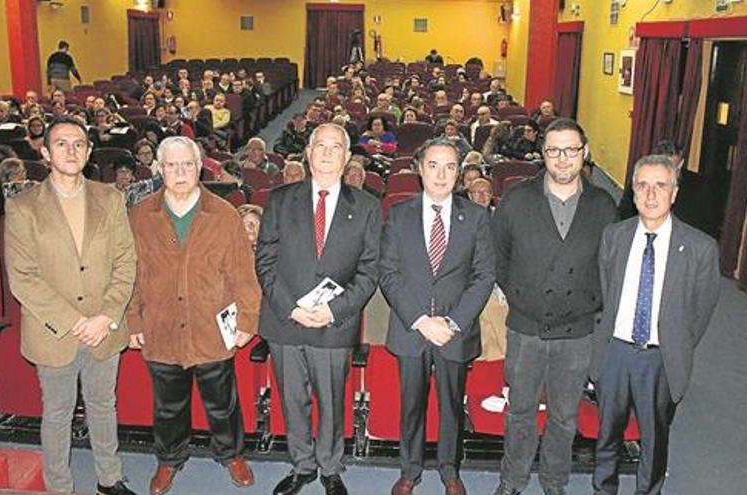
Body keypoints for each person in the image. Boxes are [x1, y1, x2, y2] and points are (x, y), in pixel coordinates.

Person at [3, 117, 137, 495]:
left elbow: (126, 262)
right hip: (54, 331)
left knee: (102, 406)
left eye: (79, 143)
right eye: (61, 144)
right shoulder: (23, 207)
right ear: (45, 152)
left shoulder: (110, 198)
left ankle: (110, 479)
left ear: (90, 151)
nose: (71, 150)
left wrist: (108, 316)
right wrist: (77, 321)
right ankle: (59, 486)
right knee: (58, 414)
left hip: (104, 327)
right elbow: (24, 278)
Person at [125, 136, 260, 495]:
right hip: (161, 327)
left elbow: (243, 274)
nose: (180, 172)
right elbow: (130, 274)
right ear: (159, 168)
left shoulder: (225, 215)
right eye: (171, 165)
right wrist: (133, 321)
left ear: (200, 167)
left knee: (222, 403)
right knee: (168, 407)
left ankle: (231, 454)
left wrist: (247, 321)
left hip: (211, 328)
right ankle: (169, 460)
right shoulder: (140, 216)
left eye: (187, 164)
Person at [491, 118, 618, 495]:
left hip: (577, 331)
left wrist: (591, 302)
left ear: (585, 152)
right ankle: (512, 481)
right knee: (520, 413)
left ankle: (554, 481)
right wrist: (518, 297)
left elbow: (609, 266)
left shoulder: (603, 205)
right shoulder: (516, 199)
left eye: (571, 150)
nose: (562, 159)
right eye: (554, 150)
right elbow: (499, 258)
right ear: (542, 154)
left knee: (564, 416)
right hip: (526, 328)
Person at [256, 123, 381, 495]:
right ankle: (302, 466)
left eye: (336, 147)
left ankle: (329, 467)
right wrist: (290, 308)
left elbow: (370, 269)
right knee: (292, 400)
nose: (327, 153)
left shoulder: (368, 206)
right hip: (286, 321)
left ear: (347, 157)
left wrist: (334, 310)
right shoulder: (279, 200)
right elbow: (265, 260)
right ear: (307, 154)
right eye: (320, 146)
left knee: (331, 401)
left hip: (334, 324)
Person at [591, 155, 720, 495]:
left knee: (654, 439)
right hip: (615, 353)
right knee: (607, 436)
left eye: (660, 185)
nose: (650, 195)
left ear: (675, 192)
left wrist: (672, 344)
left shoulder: (700, 248)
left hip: (660, 359)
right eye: (642, 185)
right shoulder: (614, 237)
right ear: (632, 192)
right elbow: (606, 291)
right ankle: (603, 490)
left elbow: (700, 311)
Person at [380, 137, 494, 495]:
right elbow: (388, 273)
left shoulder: (476, 217)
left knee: (451, 407)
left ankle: (450, 471)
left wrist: (452, 322)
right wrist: (420, 320)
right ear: (420, 169)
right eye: (433, 165)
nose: (441, 174)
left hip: (454, 333)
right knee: (411, 406)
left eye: (449, 167)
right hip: (411, 330)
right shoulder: (398, 215)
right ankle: (409, 471)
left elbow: (483, 276)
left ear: (459, 173)